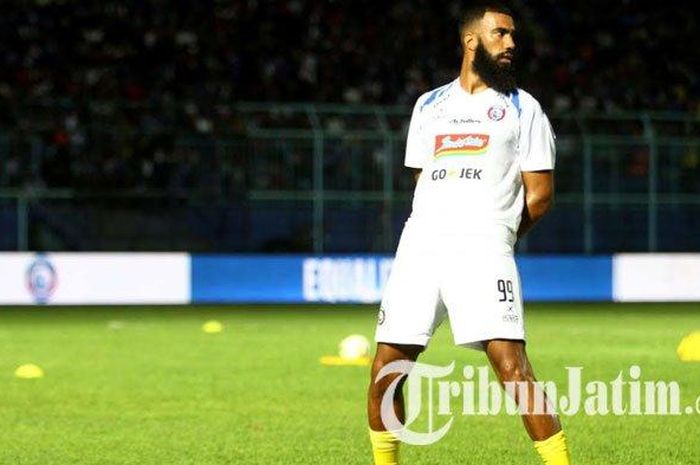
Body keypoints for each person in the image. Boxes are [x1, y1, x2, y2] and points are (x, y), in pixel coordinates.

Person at [367, 2, 571, 465]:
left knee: (512, 369)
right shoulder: (429, 105)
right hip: (420, 248)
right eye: (500, 34)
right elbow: (424, 178)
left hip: (483, 249)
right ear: (471, 40)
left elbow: (539, 195)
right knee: (385, 372)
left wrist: (497, 235)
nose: (511, 44)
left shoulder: (524, 108)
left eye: (512, 36)